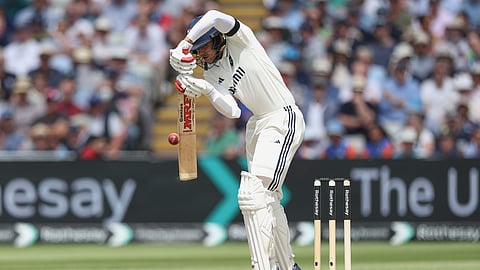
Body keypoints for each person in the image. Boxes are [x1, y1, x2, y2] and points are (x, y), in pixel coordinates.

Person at [169, 10, 304, 270]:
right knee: (267, 197)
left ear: (217, 39)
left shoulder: (241, 39)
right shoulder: (211, 72)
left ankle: (263, 266)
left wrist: (184, 43)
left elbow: (214, 15)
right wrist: (206, 89)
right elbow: (233, 111)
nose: (201, 54)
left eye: (203, 46)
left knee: (254, 193)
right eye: (197, 51)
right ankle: (286, 266)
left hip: (282, 116)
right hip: (257, 125)